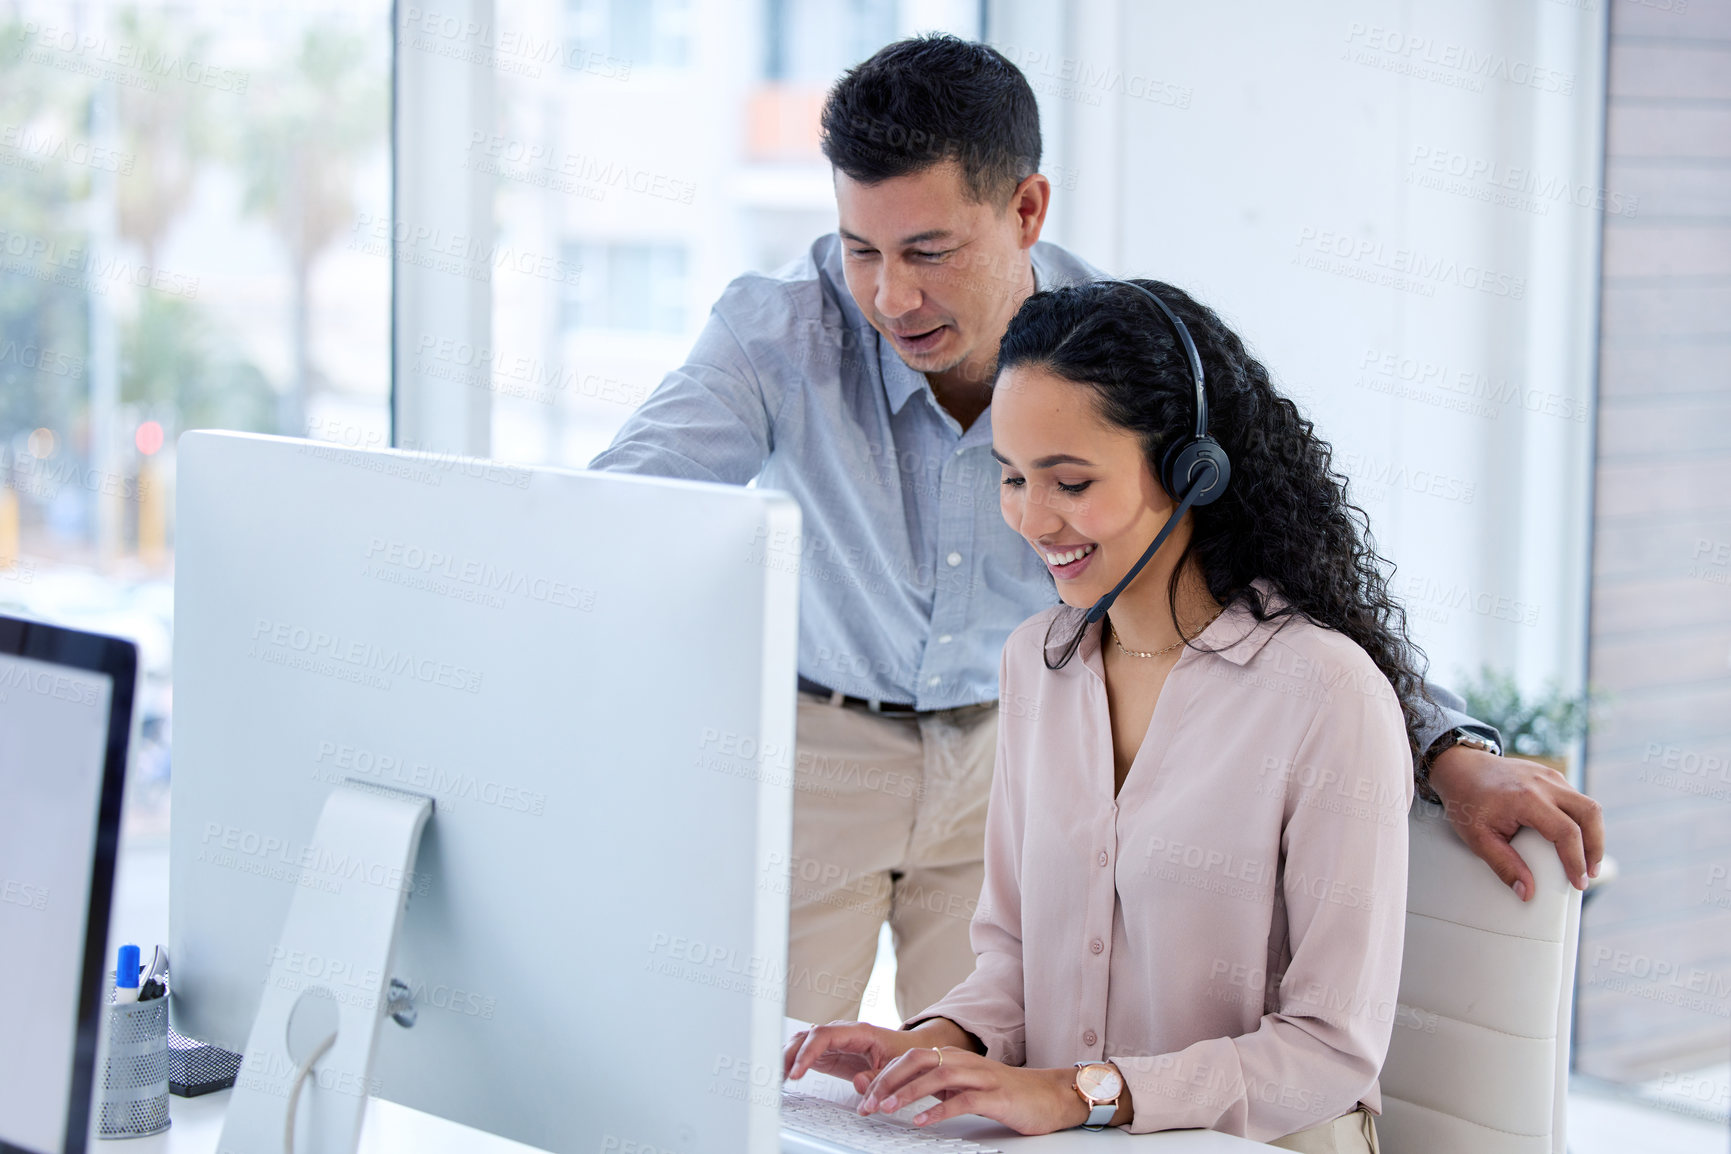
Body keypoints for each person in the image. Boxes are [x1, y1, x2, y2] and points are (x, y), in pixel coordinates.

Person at [590, 35, 1603, 1024]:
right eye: (862, 250)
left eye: (930, 252)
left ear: (1027, 208)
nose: (891, 297)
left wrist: (1448, 745)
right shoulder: (776, 331)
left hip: (1008, 758)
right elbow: (616, 519)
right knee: (764, 1080)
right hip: (823, 750)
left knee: (976, 1089)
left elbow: (1281, 540)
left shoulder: (1105, 345)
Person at [785, 279, 1417, 1148]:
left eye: (1070, 481)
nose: (1030, 518)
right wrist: (931, 1048)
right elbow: (1010, 957)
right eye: (1010, 477)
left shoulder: (1322, 693)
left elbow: (1328, 1049)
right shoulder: (1036, 666)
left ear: (1192, 470)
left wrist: (1079, 1092)